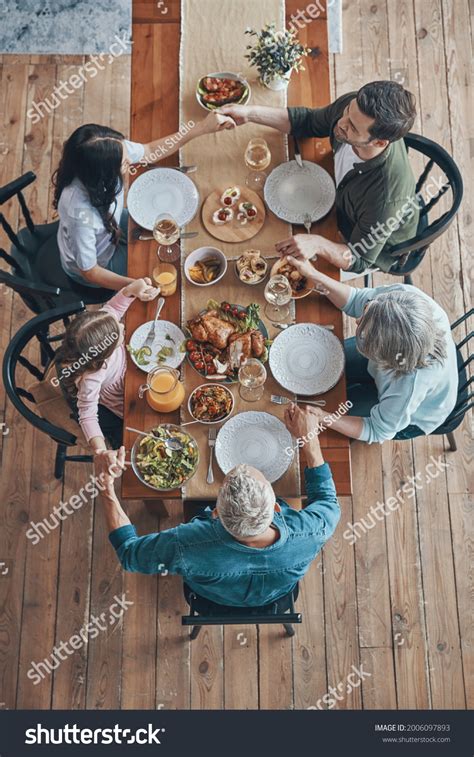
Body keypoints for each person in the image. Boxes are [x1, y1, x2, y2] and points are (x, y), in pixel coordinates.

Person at [98, 405, 340, 608]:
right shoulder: (310, 531)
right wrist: (309, 438)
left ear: (214, 513)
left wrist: (106, 486)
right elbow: (328, 501)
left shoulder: (186, 544)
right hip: (277, 594)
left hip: (210, 596)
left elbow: (129, 554)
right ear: (276, 508)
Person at [220, 80, 420, 274]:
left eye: (352, 127)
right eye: (347, 112)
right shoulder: (355, 109)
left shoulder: (385, 198)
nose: (341, 123)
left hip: (365, 240)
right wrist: (249, 113)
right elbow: (308, 121)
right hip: (339, 195)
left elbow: (359, 259)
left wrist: (319, 243)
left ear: (379, 143)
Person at [282, 256, 458, 443]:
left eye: (364, 329)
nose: (357, 320)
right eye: (367, 310)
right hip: (394, 361)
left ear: (382, 352)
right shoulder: (403, 298)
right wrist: (314, 275)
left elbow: (377, 430)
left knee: (330, 411)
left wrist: (324, 416)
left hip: (415, 414)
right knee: (319, 363)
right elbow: (356, 299)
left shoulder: (409, 387)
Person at [53, 113, 235, 290]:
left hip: (110, 226)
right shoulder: (79, 214)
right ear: (103, 175)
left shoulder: (107, 151)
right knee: (160, 271)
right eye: (125, 164)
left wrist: (202, 127)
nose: (130, 162)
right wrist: (134, 285)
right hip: (100, 263)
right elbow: (90, 272)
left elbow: (149, 151)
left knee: (166, 229)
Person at [54, 278, 159, 471]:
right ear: (105, 354)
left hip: (134, 368)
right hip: (124, 396)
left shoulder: (100, 325)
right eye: (118, 333)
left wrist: (130, 290)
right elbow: (87, 415)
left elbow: (114, 308)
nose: (121, 327)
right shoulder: (91, 377)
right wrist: (101, 451)